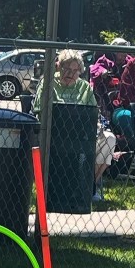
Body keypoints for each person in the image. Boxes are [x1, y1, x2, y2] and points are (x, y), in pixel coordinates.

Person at [34, 49, 116, 202]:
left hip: (82, 135)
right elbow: (39, 110)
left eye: (75, 70)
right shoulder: (48, 83)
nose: (70, 74)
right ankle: (74, 187)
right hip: (55, 134)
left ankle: (88, 186)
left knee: (109, 139)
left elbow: (92, 113)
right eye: (66, 69)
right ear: (59, 67)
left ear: (80, 71)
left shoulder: (84, 87)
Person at [89, 37, 129, 117]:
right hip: (105, 92)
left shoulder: (128, 61)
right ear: (114, 51)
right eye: (121, 51)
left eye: (126, 51)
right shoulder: (105, 60)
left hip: (123, 91)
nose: (124, 54)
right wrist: (102, 72)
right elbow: (95, 69)